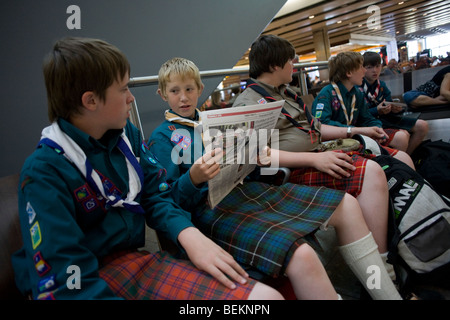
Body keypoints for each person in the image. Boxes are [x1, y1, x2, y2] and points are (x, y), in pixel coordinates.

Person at [11, 37, 284, 300]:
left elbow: (156, 194)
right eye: (123, 88)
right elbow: (65, 283)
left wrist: (189, 236)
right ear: (91, 101)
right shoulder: (44, 171)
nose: (131, 97)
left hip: (130, 259)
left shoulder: (126, 134)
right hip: (86, 277)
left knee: (265, 296)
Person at [150, 57, 402, 300]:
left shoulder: (213, 122)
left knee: (347, 205)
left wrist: (252, 157)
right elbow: (169, 201)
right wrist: (193, 179)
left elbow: (247, 167)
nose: (183, 97)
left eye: (189, 89)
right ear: (163, 94)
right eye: (174, 91)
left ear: (200, 89)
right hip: (210, 209)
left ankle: (386, 292)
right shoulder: (162, 138)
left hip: (246, 191)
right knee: (301, 253)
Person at [311, 51, 417, 155]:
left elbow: (367, 118)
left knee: (401, 138)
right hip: (335, 142)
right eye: (361, 67)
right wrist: (359, 130)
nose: (364, 71)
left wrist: (377, 129)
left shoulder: (357, 93)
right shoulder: (326, 94)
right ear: (349, 73)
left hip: (355, 136)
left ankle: (391, 168)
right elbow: (321, 124)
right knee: (400, 140)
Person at [361, 51, 429, 155]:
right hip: (369, 123)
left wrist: (395, 109)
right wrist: (377, 110)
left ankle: (408, 157)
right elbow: (359, 115)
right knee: (403, 135)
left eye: (377, 66)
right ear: (362, 68)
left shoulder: (381, 85)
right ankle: (400, 162)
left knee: (422, 125)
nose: (374, 70)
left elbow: (389, 103)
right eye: (369, 67)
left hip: (387, 119)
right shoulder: (358, 87)